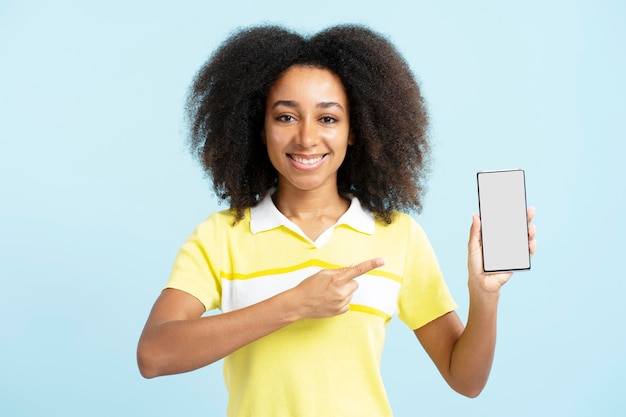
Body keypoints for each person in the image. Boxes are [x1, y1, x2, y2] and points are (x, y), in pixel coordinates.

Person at [137, 24, 536, 417]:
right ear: (258, 129)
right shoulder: (221, 236)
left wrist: (485, 297)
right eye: (285, 117)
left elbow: (465, 380)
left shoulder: (398, 236)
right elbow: (154, 354)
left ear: (354, 131)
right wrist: (292, 305)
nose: (307, 138)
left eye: (327, 118)